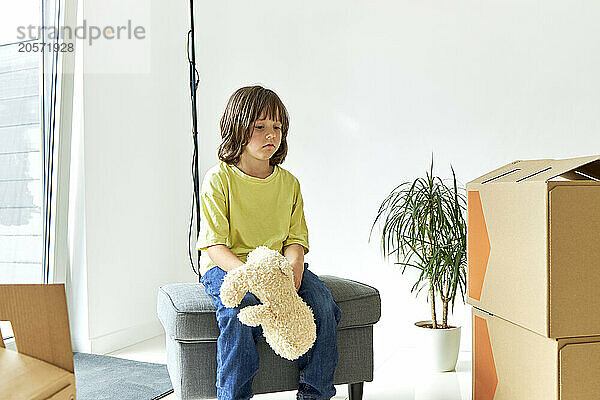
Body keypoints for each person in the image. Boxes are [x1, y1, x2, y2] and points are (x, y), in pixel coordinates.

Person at [196, 85, 342, 400]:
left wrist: (292, 271)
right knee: (240, 309)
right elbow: (215, 246)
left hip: (279, 269)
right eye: (259, 126)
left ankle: (315, 393)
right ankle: (233, 395)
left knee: (323, 306)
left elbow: (295, 241)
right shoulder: (219, 179)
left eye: (276, 127)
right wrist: (252, 278)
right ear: (237, 127)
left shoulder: (289, 184)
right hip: (230, 267)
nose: (270, 134)